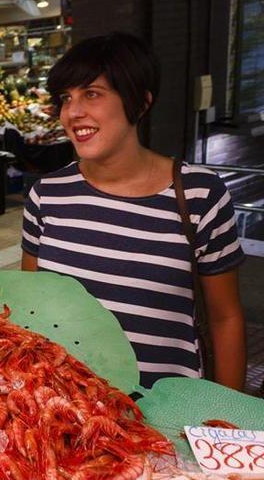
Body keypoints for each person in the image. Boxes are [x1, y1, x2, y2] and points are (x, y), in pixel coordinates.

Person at [21, 32, 246, 390]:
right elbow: (28, 309)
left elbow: (226, 318)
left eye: (92, 94)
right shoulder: (46, 196)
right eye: (66, 98)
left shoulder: (199, 194)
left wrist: (229, 420)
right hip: (66, 410)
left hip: (169, 415)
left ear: (140, 103)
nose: (73, 112)